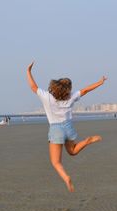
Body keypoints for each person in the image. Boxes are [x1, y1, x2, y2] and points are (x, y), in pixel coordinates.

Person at [26, 61, 107, 192]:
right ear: (68, 90)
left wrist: (28, 71)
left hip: (56, 129)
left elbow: (33, 87)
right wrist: (100, 82)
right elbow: (86, 90)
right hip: (68, 127)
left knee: (56, 162)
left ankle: (66, 178)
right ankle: (88, 140)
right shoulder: (71, 97)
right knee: (73, 151)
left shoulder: (47, 97)